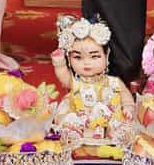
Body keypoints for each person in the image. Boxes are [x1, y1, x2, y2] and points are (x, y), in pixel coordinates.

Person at [50, 16, 135, 155]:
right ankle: (75, 135)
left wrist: (128, 107)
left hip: (108, 118)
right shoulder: (75, 82)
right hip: (80, 116)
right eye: (78, 57)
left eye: (94, 56)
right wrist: (59, 62)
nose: (87, 63)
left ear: (106, 57)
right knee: (68, 119)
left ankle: (114, 135)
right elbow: (63, 77)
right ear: (69, 59)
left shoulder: (113, 82)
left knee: (122, 122)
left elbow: (125, 95)